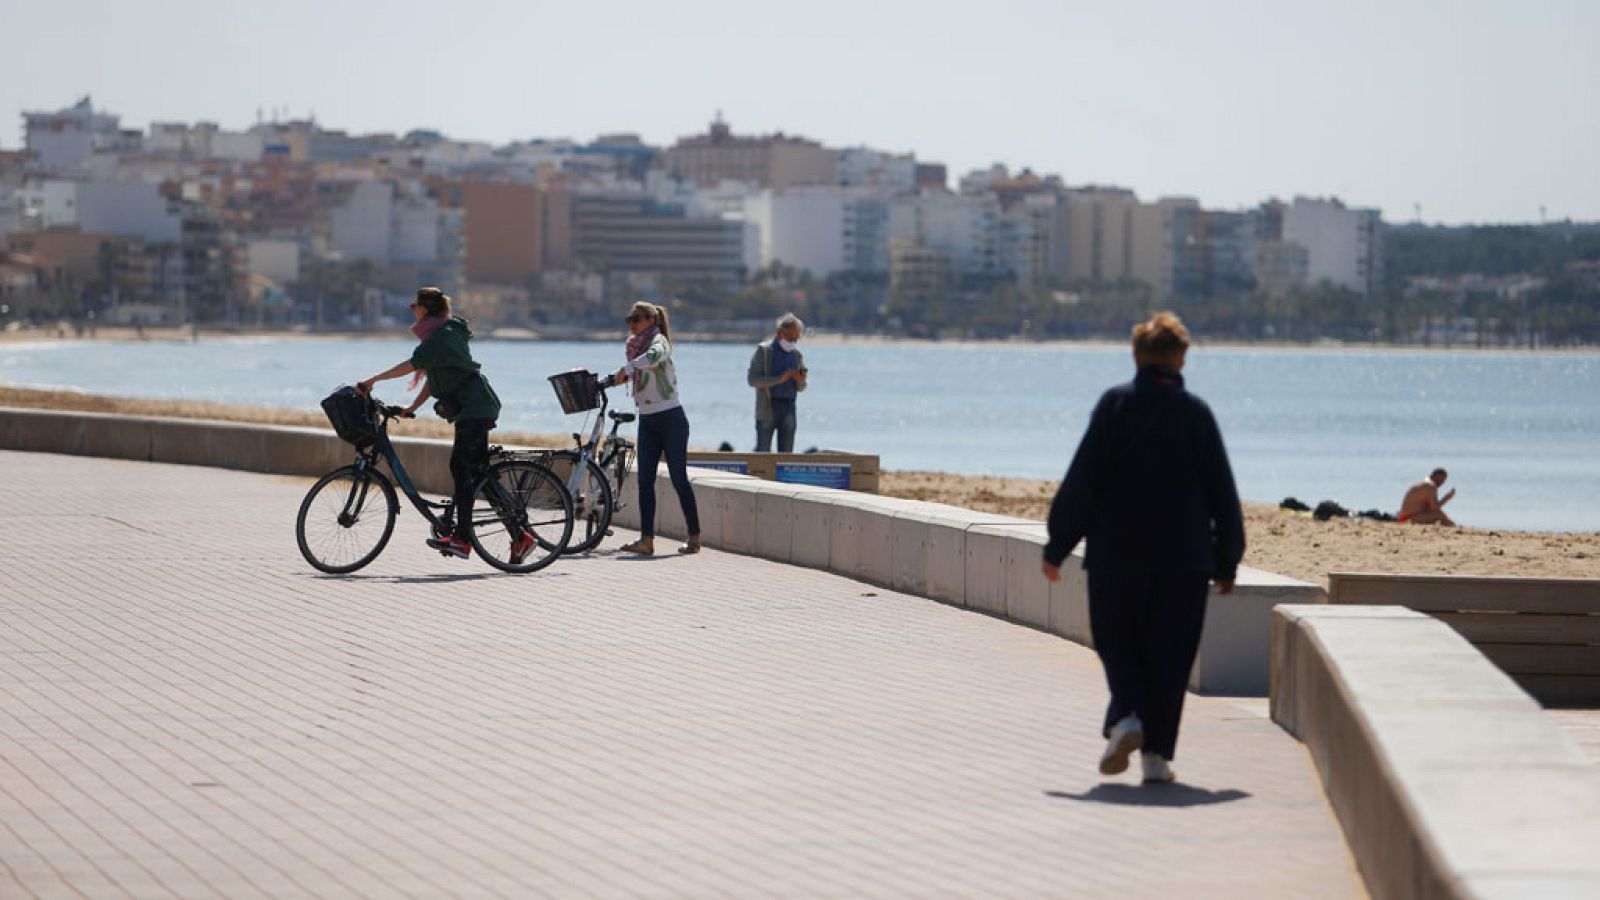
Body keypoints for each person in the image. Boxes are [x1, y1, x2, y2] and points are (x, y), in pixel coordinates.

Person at [1040, 311, 1245, 786]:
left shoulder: (1115, 406)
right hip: (1186, 560)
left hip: (1118, 554)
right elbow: (1222, 491)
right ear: (1181, 358)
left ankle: (1127, 716)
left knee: (1119, 642)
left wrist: (1057, 545)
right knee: (1171, 654)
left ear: (1136, 355)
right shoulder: (1196, 414)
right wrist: (1227, 560)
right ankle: (1157, 756)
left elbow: (1083, 480)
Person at [357, 287, 528, 563]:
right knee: (476, 474)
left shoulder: (440, 338)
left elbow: (412, 365)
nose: (413, 311)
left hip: (474, 408)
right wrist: (412, 408)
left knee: (462, 468)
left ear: (425, 308)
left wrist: (372, 380)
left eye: (415, 306)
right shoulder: (444, 333)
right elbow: (434, 377)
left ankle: (462, 539)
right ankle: (520, 538)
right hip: (475, 406)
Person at [607, 301, 701, 556]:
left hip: (671, 418)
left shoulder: (659, 341)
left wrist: (627, 368)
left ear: (651, 320)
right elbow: (634, 372)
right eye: (629, 319)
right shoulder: (634, 348)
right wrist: (609, 380)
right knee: (645, 480)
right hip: (647, 420)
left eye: (636, 318)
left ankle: (694, 537)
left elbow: (653, 358)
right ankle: (646, 540)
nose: (631, 324)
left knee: (678, 478)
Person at [747, 312, 808, 452]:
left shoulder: (796, 355)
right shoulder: (764, 351)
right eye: (791, 338)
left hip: (789, 408)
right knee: (763, 454)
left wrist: (801, 381)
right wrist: (780, 379)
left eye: (796, 339)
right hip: (768, 407)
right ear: (780, 333)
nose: (793, 343)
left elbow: (801, 387)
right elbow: (753, 380)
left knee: (786, 456)